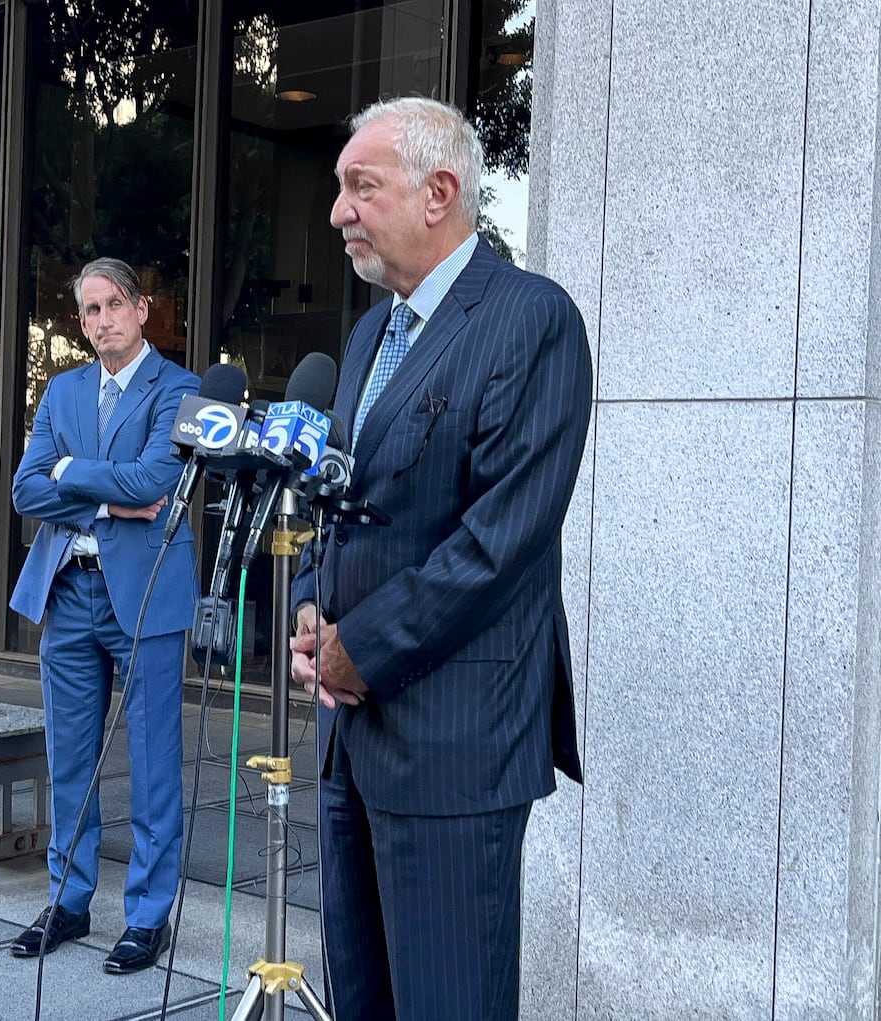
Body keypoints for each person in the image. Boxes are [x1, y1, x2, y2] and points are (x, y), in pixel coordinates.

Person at [290, 97, 592, 1020]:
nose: (338, 211)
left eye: (360, 187)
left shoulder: (531, 321)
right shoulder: (369, 334)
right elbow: (338, 499)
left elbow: (499, 542)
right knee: (366, 1000)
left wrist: (359, 648)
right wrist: (310, 605)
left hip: (457, 743)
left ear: (440, 192)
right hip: (353, 741)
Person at [8, 257, 199, 975]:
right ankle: (69, 897)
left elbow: (158, 479)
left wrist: (69, 473)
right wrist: (105, 499)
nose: (100, 320)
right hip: (68, 590)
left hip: (145, 591)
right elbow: (27, 488)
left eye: (113, 304)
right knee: (71, 759)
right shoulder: (61, 392)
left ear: (142, 309)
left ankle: (148, 915)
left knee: (152, 762)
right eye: (88, 310)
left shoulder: (177, 388)